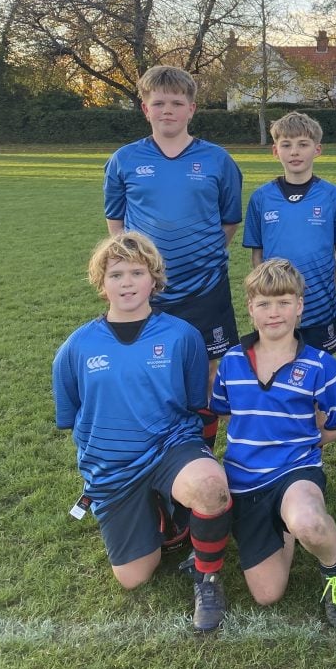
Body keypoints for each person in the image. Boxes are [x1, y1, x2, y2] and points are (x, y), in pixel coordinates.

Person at [51, 232, 232, 631]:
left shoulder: (182, 336)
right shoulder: (76, 348)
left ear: (154, 280)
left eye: (137, 272)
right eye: (116, 274)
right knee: (134, 577)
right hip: (113, 466)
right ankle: (163, 514)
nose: (127, 283)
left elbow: (194, 404)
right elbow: (73, 416)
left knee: (210, 488)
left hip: (171, 448)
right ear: (102, 283)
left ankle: (207, 579)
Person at [210, 259, 336, 629]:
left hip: (296, 471)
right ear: (250, 308)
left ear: (299, 306)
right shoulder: (231, 361)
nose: (274, 313)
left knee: (309, 522)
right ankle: (283, 525)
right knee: (267, 594)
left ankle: (335, 574)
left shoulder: (321, 365)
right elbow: (225, 411)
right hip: (245, 482)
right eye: (264, 304)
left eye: (283, 302)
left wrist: (312, 441)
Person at [103, 64, 243, 449]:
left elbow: (229, 221)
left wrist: (203, 256)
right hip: (148, 292)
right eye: (159, 103)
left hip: (206, 288)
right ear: (145, 108)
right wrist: (135, 270)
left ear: (191, 109)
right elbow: (116, 223)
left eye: (177, 103)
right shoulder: (124, 160)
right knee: (152, 372)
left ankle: (202, 454)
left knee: (209, 374)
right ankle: (159, 456)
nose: (168, 110)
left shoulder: (217, 160)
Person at [243, 112, 336, 353]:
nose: (294, 152)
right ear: (275, 151)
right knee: (278, 363)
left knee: (320, 366)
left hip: (320, 307)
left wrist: (329, 289)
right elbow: (257, 255)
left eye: (303, 144)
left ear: (317, 150)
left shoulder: (334, 197)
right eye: (286, 145)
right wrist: (270, 291)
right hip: (278, 306)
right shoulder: (261, 198)